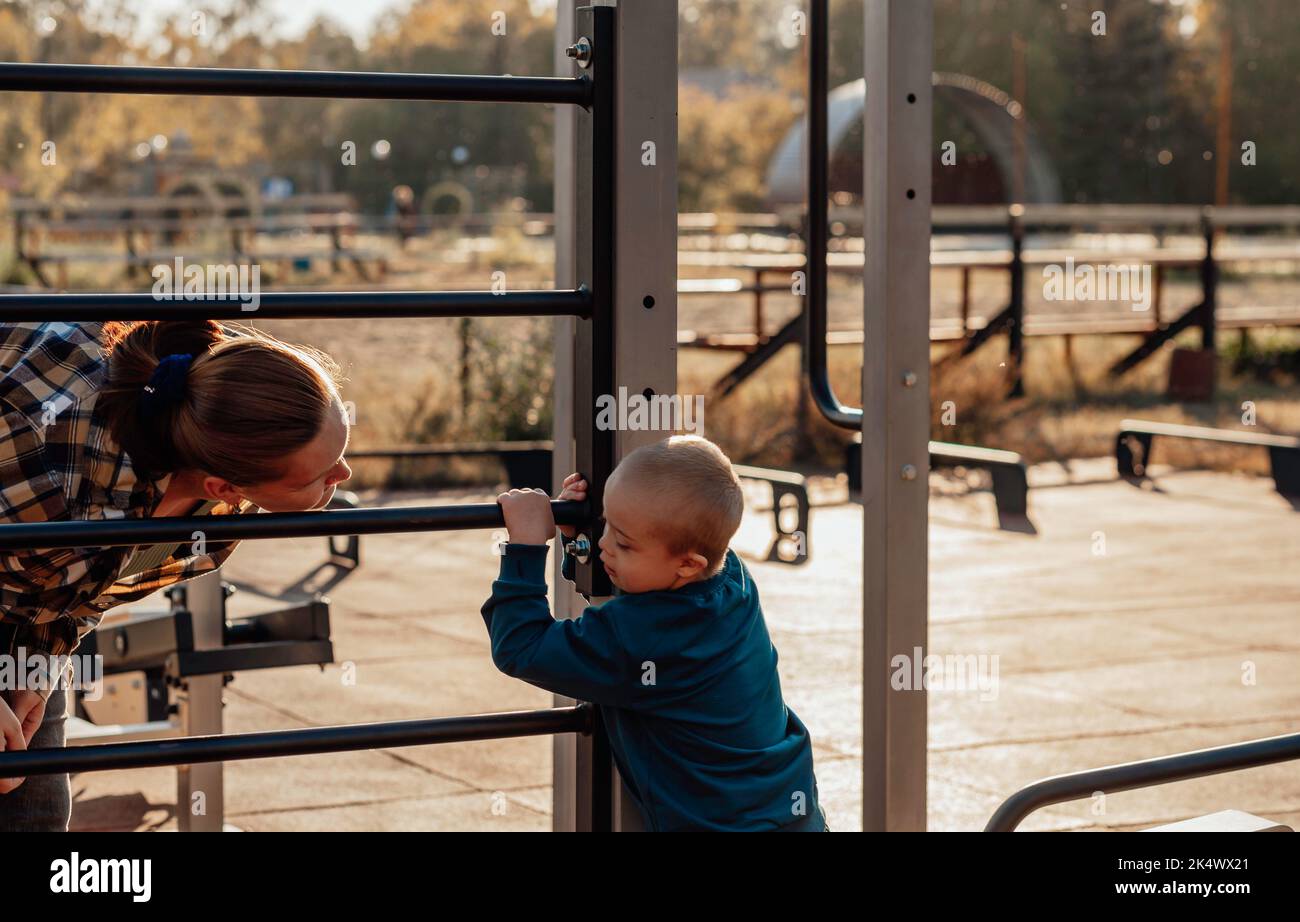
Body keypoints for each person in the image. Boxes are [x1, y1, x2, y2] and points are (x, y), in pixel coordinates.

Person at [0, 319, 353, 830]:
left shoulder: (210, 482)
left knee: (32, 810)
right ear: (224, 485)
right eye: (321, 474)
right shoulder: (51, 480)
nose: (345, 477)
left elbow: (78, 591)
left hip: (21, 609)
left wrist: (36, 666)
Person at [482, 435, 827, 831]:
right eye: (606, 522)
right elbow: (652, 574)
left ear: (687, 563)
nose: (606, 545)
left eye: (624, 544)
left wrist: (525, 548)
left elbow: (521, 646)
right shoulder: (732, 578)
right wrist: (579, 537)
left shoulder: (642, 636)